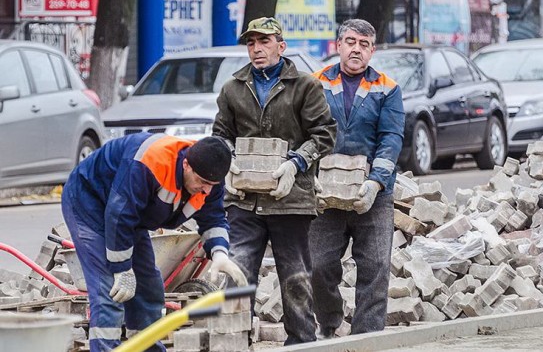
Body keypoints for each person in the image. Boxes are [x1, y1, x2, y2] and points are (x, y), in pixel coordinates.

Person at [212, 17, 337, 345]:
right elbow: (221, 135)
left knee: (295, 276)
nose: (256, 49)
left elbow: (324, 134)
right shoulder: (233, 88)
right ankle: (235, 340)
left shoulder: (304, 86)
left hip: (290, 198)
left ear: (281, 46)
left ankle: (301, 342)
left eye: (264, 42)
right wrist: (229, 164)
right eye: (251, 43)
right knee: (238, 272)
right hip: (244, 199)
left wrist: (296, 164)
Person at [61, 133, 247, 352]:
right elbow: (119, 214)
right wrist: (121, 268)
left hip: (129, 214)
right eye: (202, 182)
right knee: (109, 289)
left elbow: (213, 219)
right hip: (88, 201)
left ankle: (146, 348)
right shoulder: (151, 162)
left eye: (212, 185)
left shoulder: (210, 180)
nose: (206, 190)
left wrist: (220, 254)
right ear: (186, 165)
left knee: (149, 287)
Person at [310, 19, 405, 337]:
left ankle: (367, 337)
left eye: (364, 44)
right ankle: (329, 322)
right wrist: (309, 177)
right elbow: (303, 133)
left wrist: (376, 181)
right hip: (327, 195)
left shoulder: (387, 89)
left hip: (372, 197)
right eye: (350, 41)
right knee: (319, 265)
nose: (356, 49)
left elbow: (391, 138)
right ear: (338, 45)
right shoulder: (314, 84)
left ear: (372, 50)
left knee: (376, 267)